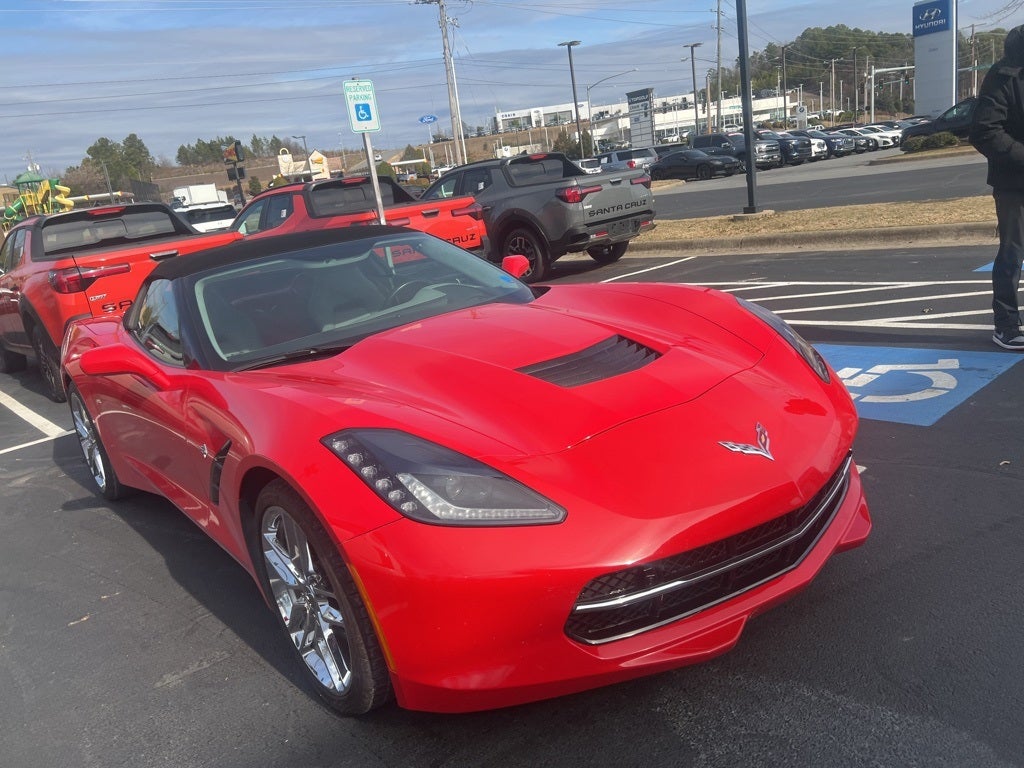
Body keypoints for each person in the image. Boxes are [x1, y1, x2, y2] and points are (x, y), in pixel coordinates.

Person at [969, 24, 1024, 350]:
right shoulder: (1003, 77)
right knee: (1012, 252)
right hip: (1013, 182)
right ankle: (1005, 325)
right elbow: (984, 131)